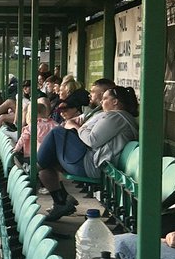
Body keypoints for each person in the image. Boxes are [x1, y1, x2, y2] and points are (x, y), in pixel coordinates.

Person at [38, 85, 139, 220]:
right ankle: (61, 201)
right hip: (88, 159)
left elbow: (91, 140)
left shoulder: (117, 117)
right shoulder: (108, 115)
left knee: (57, 133)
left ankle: (35, 165)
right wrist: (78, 126)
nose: (102, 102)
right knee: (45, 171)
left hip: (91, 164)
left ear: (115, 101)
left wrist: (74, 126)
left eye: (105, 98)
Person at [12, 98, 53, 167]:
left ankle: (27, 167)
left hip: (33, 155)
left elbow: (23, 138)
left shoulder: (32, 126)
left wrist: (16, 149)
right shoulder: (54, 124)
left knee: (19, 159)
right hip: (50, 155)